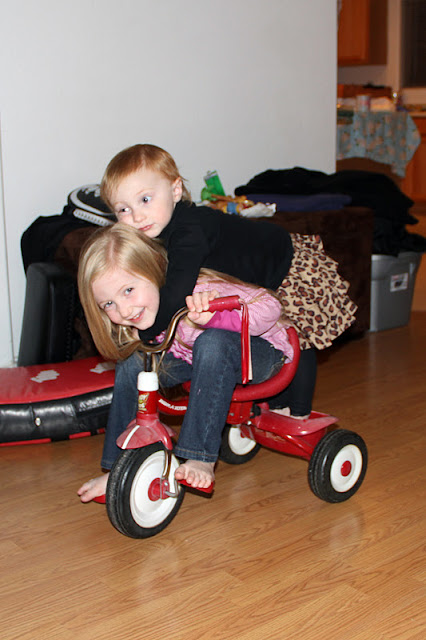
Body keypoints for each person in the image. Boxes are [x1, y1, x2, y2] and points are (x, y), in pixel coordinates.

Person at [77, 224, 311, 502]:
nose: (124, 310)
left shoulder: (198, 288)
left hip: (262, 355)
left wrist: (217, 317)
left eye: (128, 290)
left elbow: (270, 304)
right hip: (199, 358)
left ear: (154, 269)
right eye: (108, 304)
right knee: (134, 361)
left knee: (212, 341)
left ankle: (200, 456)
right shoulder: (145, 310)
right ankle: (117, 467)